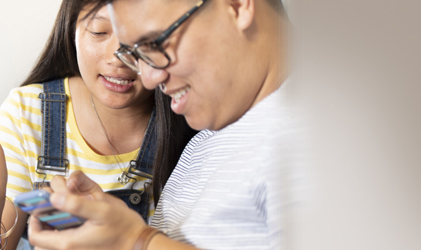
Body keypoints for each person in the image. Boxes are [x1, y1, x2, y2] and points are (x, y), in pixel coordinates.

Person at [25, 0, 293, 249]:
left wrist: (135, 240)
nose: (150, 78)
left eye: (156, 42)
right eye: (137, 54)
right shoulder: (206, 141)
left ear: (236, 5)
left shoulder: (317, 130)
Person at [0, 1, 195, 249]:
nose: (118, 57)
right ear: (71, 30)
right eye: (99, 32)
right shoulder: (28, 113)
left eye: (137, 36)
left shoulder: (195, 117)